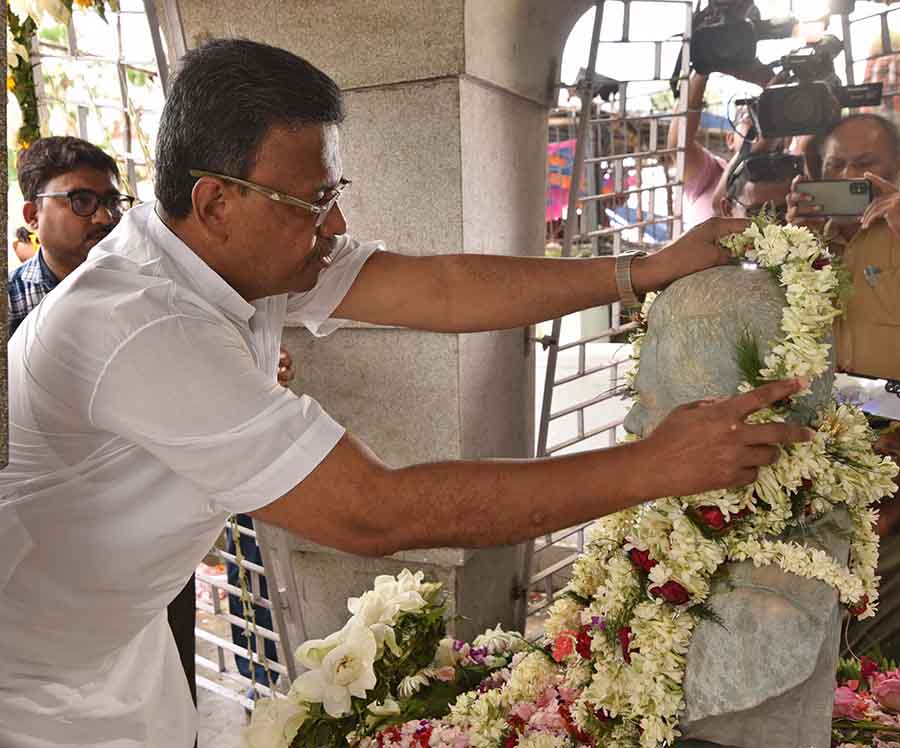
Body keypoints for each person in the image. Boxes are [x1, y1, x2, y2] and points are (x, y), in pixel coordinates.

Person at [0, 38, 813, 748]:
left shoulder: (238, 258)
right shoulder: (137, 322)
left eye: (333, 189)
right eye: (313, 200)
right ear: (216, 202)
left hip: (123, 648)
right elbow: (373, 512)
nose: (334, 221)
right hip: (28, 677)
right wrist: (657, 465)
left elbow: (441, 289)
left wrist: (643, 270)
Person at [7, 136, 131, 338]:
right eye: (81, 201)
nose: (105, 217)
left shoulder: (142, 284)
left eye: (112, 202)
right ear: (33, 217)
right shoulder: (11, 303)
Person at [667, 67, 771, 228]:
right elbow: (679, 145)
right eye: (750, 118)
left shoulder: (787, 172)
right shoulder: (712, 171)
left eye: (767, 120)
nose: (760, 126)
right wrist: (702, 71)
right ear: (730, 139)